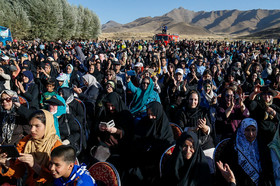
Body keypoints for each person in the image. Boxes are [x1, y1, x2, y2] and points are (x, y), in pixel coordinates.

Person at [0, 110, 62, 185]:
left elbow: (57, 177)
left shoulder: (57, 146)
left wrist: (34, 165)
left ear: (48, 126)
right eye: (31, 126)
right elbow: (19, 172)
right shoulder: (26, 142)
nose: (32, 130)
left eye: (37, 126)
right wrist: (6, 163)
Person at [123, 101, 174, 185]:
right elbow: (136, 138)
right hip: (141, 156)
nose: (150, 117)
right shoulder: (144, 122)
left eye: (153, 115)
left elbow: (166, 148)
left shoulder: (165, 129)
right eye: (148, 114)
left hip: (155, 162)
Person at [216, 118, 275, 186]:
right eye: (247, 130)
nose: (250, 134)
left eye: (253, 130)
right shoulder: (233, 147)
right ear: (242, 130)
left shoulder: (261, 146)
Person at [176, 90, 215, 173]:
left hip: (205, 144)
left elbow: (209, 129)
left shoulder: (203, 112)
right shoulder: (182, 112)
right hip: (189, 146)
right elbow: (181, 129)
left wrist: (203, 126)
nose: (193, 102)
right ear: (187, 100)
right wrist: (193, 129)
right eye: (191, 99)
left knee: (209, 170)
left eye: (195, 100)